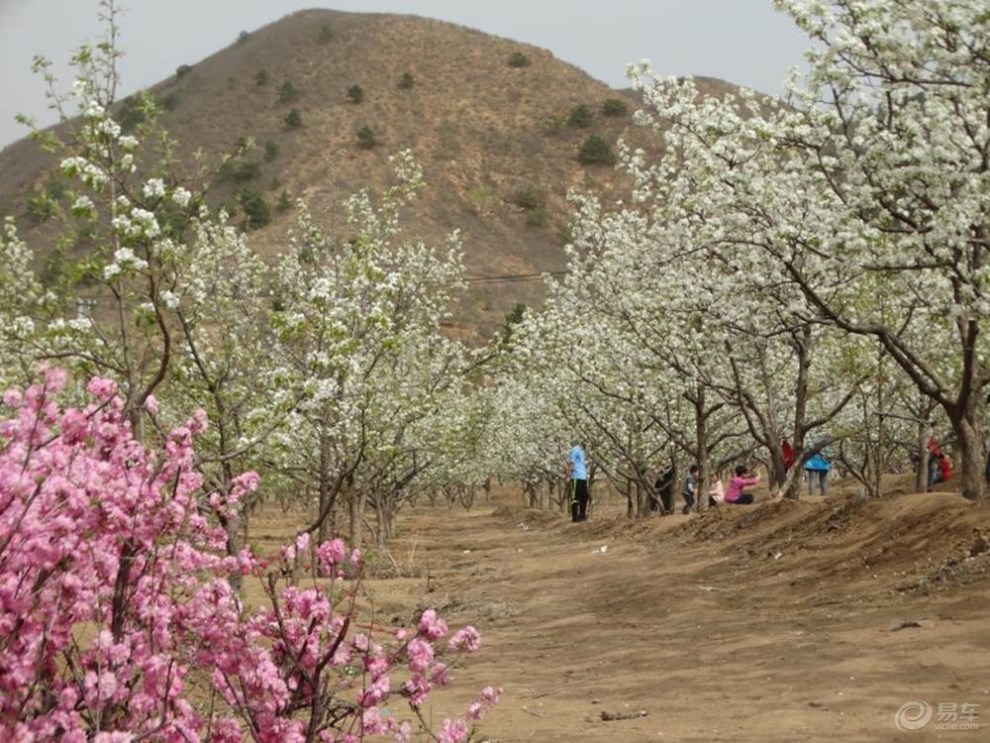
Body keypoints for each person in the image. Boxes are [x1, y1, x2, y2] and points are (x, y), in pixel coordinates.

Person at [568, 443, 590, 522]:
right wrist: (569, 475)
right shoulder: (575, 449)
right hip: (576, 476)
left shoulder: (582, 451)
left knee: (584, 496)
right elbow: (571, 463)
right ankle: (575, 517)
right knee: (575, 497)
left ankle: (582, 515)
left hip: (583, 477)